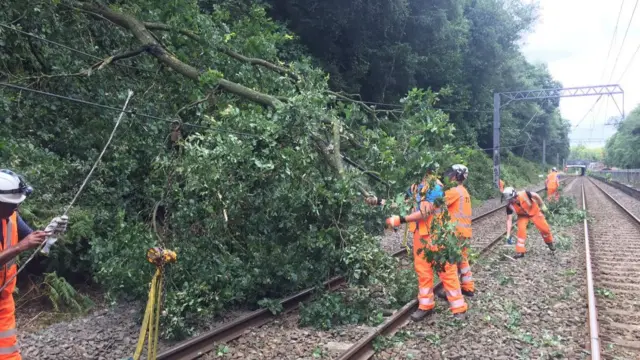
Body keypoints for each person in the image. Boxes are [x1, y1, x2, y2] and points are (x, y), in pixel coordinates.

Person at [385, 164, 467, 321]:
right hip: (420, 236)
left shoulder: (435, 187)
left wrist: (400, 220)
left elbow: (425, 212)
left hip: (437, 235)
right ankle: (426, 305)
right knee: (422, 271)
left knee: (446, 270)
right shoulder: (415, 186)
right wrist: (378, 202)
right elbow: (402, 203)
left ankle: (458, 308)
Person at [0, 169, 67, 360]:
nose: (18, 207)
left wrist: (48, 235)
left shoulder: (11, 216)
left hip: (2, 302)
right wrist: (20, 247)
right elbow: (23, 244)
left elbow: (30, 238)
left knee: (8, 355)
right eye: (13, 204)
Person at [441, 165, 474, 296]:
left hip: (455, 233)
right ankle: (468, 286)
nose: (449, 176)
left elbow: (438, 204)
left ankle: (452, 292)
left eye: (452, 174)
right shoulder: (463, 191)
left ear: (457, 176)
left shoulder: (453, 191)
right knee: (463, 260)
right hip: (464, 232)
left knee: (450, 263)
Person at [502, 186, 555, 259]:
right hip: (522, 216)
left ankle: (549, 242)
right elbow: (509, 220)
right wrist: (508, 234)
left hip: (535, 212)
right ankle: (520, 251)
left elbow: (536, 195)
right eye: (508, 200)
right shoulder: (509, 206)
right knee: (521, 230)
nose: (510, 201)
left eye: (511, 199)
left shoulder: (525, 194)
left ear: (514, 195)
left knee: (544, 229)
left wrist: (542, 205)